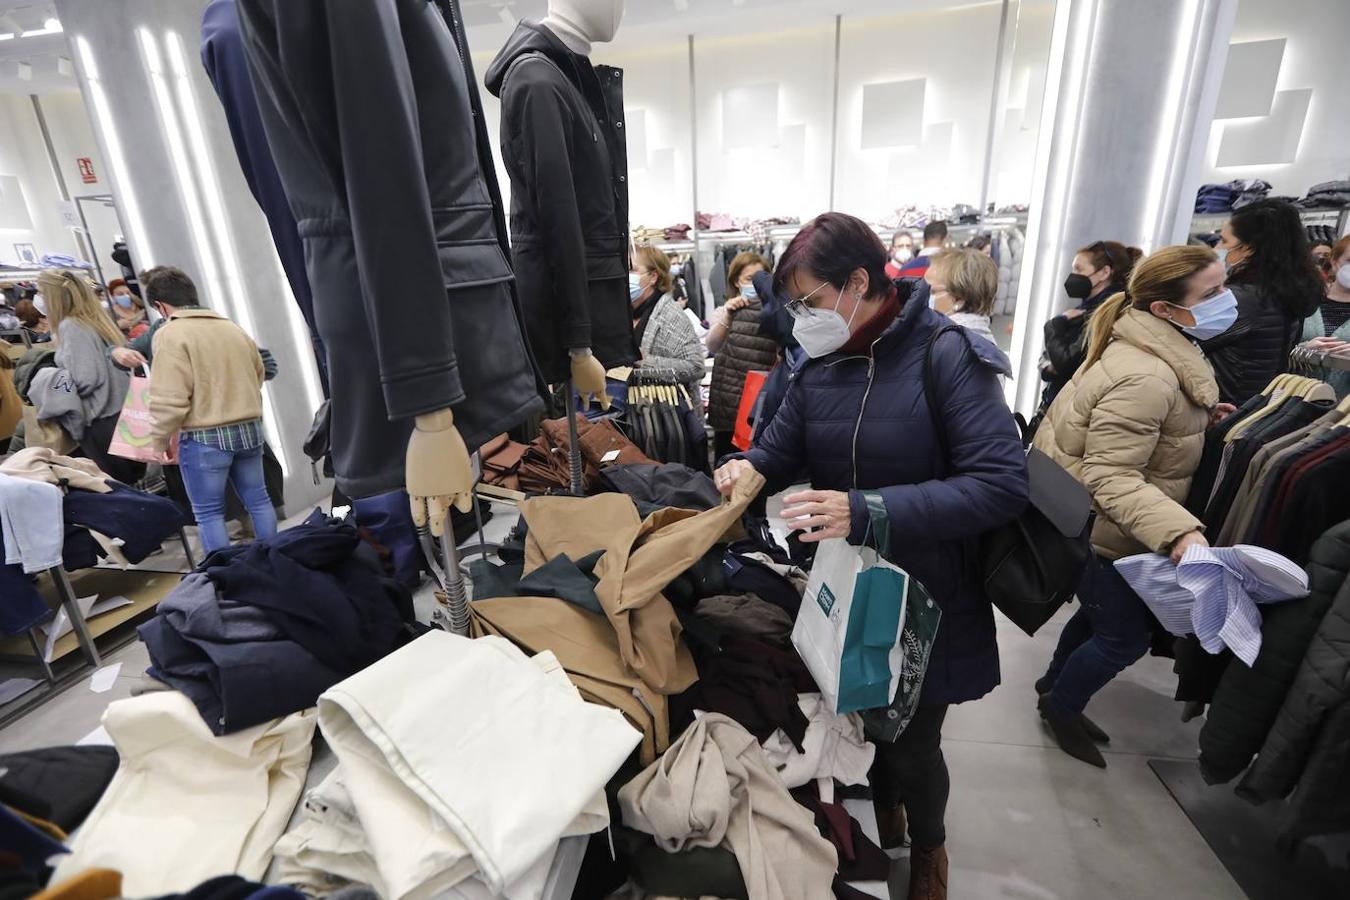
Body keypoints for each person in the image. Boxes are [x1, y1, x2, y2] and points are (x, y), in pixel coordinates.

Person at [713, 212, 1028, 900]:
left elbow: (1001, 483)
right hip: (847, 581)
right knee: (861, 716)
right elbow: (782, 445)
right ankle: (887, 818)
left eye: (810, 301)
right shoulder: (823, 358)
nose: (800, 318)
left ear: (860, 282)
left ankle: (930, 849)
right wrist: (748, 466)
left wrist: (871, 509)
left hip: (930, 592)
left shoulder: (946, 355)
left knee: (914, 743)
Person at [1033, 245, 1236, 769]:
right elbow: (1111, 475)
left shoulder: (1146, 347)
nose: (1227, 300)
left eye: (1223, 285)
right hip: (1106, 530)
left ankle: (1054, 687)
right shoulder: (1148, 374)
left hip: (1093, 525)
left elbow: (1129, 436)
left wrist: (1195, 420)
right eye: (1211, 293)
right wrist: (1180, 533)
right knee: (1123, 639)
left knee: (1100, 621)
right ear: (1165, 310)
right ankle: (1061, 706)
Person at [143, 266, 276, 553]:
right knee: (259, 500)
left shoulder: (170, 334)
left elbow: (169, 396)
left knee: (209, 513)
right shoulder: (232, 328)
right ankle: (276, 562)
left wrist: (160, 439)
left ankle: (223, 576)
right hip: (250, 428)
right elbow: (258, 373)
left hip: (205, 436)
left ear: (160, 306)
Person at [1203, 199, 1324, 404]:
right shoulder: (1286, 291)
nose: (1218, 247)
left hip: (1225, 406)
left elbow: (1180, 341)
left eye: (1224, 241)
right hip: (1258, 404)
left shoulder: (1242, 299)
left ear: (1248, 248)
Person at [36, 270, 140, 483]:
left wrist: (55, 379)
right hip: (125, 413)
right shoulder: (98, 320)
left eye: (41, 293)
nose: (38, 299)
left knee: (119, 488)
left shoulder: (71, 326)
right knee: (137, 483)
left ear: (52, 296)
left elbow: (85, 378)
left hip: (101, 421)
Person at [1039, 240, 1141, 408]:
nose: (1073, 275)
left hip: (1071, 406)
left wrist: (1054, 325)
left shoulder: (1104, 314)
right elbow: (1049, 363)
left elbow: (1066, 364)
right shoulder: (1086, 308)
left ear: (1104, 273)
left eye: (1079, 269)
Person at [707, 251, 778, 460]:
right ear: (737, 281)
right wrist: (728, 315)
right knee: (726, 464)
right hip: (728, 404)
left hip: (757, 403)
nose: (755, 284)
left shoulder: (775, 313)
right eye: (749, 279)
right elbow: (712, 344)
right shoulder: (725, 311)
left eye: (760, 279)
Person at [630, 245, 705, 410]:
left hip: (668, 416)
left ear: (653, 277)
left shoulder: (671, 315)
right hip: (640, 413)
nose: (627, 277)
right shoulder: (624, 312)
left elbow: (696, 367)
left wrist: (645, 363)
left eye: (633, 270)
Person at [925, 248, 999, 346]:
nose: (923, 295)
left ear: (959, 299)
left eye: (931, 291)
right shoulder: (980, 337)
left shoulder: (950, 344)